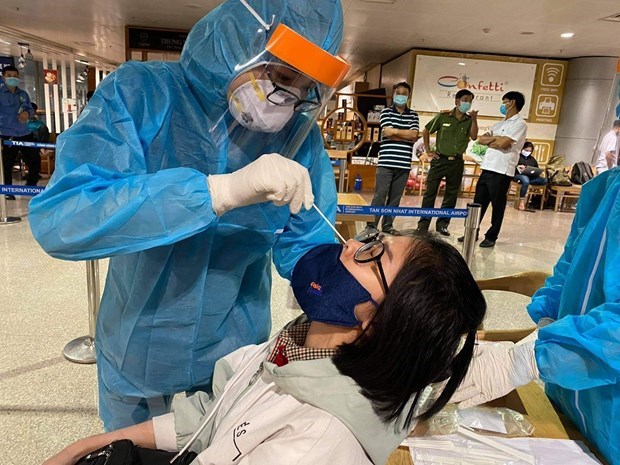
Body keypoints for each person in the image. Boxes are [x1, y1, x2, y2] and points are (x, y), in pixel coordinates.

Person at [29, 0, 351, 431]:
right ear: (243, 41)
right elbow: (64, 218)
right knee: (132, 454)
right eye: (282, 75)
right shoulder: (140, 94)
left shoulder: (299, 139)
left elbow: (308, 244)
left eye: (303, 86)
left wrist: (351, 296)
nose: (286, 100)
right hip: (139, 344)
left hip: (233, 347)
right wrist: (217, 192)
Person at [43, 233, 486, 465]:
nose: (351, 246)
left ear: (382, 322)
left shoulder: (315, 443)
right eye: (372, 238)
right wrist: (93, 442)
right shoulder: (296, 345)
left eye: (376, 256)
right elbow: (208, 416)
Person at [452, 167, 620, 465]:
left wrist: (529, 359)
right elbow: (568, 268)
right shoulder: (603, 188)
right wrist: (545, 325)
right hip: (568, 399)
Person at [458, 91, 527, 248]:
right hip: (487, 167)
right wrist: (496, 140)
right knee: (478, 203)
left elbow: (503, 144)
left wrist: (497, 141)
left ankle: (491, 236)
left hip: (502, 170)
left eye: (504, 102)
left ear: (512, 103)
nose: (502, 105)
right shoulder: (499, 124)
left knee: (498, 205)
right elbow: (481, 140)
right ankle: (472, 232)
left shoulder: (520, 124)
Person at [417, 89, 479, 236]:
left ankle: (443, 224)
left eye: (470, 101)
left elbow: (474, 136)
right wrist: (428, 150)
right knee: (430, 193)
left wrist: (475, 119)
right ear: (457, 101)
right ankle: (423, 224)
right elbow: (426, 130)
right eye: (465, 100)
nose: (467, 103)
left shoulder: (469, 120)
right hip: (440, 160)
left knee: (451, 195)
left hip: (457, 162)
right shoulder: (443, 116)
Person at [363, 82, 419, 236]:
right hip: (386, 162)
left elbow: (414, 135)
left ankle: (388, 225)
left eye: (404, 93)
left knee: (395, 197)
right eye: (398, 92)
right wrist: (404, 134)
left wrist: (396, 132)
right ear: (394, 94)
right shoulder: (386, 112)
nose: (401, 95)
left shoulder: (413, 115)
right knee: (380, 195)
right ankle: (371, 225)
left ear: (408, 96)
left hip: (403, 163)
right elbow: (386, 132)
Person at [0, 65, 34, 197]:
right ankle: (8, 191)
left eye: (15, 76)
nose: (12, 78)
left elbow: (30, 109)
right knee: (6, 164)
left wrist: (27, 113)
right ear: (3, 77)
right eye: (9, 76)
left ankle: (31, 188)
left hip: (24, 132)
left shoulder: (23, 94)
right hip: (7, 133)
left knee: (34, 160)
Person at [18, 102, 49, 186]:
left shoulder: (39, 124)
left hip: (34, 145)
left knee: (33, 157)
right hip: (20, 145)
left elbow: (43, 135)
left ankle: (42, 148)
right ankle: (33, 173)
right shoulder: (19, 123)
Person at [513, 141, 547, 211]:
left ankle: (536, 200)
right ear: (522, 149)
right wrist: (518, 166)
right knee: (525, 180)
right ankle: (522, 201)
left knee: (544, 180)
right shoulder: (517, 157)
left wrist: (534, 171)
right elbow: (512, 166)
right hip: (518, 175)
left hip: (530, 177)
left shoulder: (532, 159)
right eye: (526, 150)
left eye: (530, 151)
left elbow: (536, 168)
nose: (528, 152)